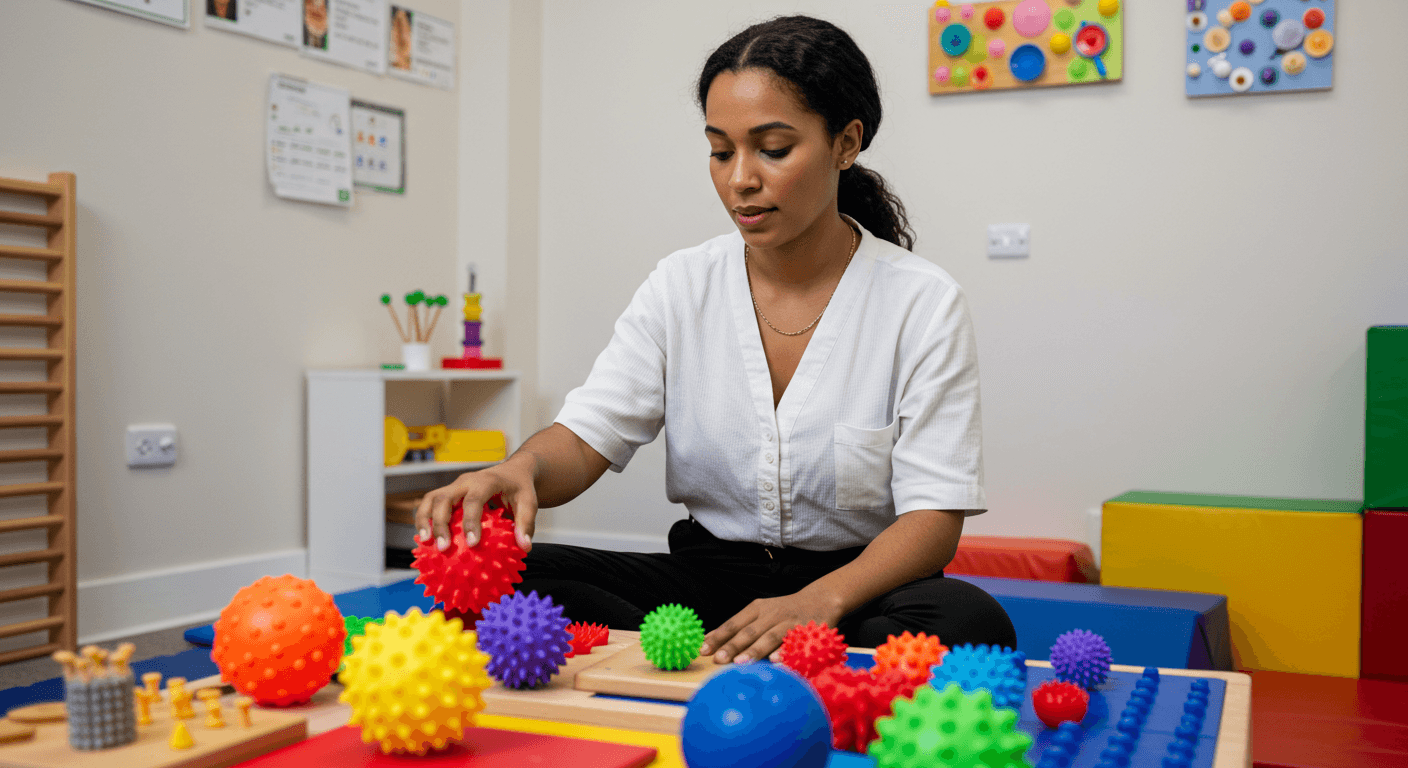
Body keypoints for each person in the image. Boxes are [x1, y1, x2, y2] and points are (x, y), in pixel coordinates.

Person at [415, 15, 1016, 664]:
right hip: (708, 580)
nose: (740, 179)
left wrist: (817, 602)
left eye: (773, 149)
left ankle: (694, 662)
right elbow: (587, 436)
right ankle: (742, 657)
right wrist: (519, 469)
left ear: (846, 143)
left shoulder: (922, 302)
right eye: (721, 151)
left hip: (854, 589)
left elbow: (934, 521)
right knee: (502, 578)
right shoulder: (681, 285)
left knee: (970, 622)